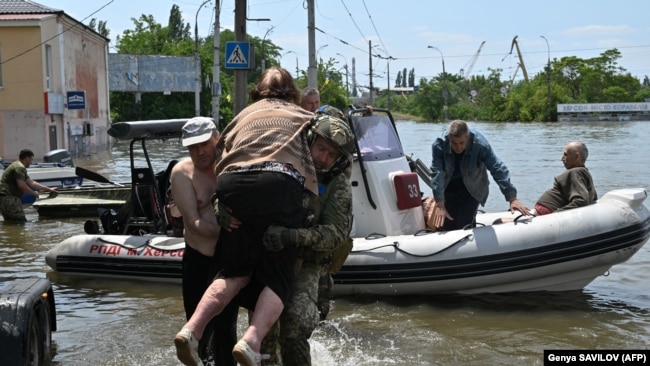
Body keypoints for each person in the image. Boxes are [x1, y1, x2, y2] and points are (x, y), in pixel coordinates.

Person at [174, 66, 317, 366]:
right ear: (293, 93)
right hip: (278, 183)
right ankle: (252, 341)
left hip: (233, 185)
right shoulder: (301, 115)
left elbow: (226, 150)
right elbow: (324, 142)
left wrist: (226, 207)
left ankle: (191, 330)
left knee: (233, 272)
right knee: (279, 276)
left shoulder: (243, 116)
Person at [260, 109, 355, 365]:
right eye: (321, 149)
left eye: (332, 155)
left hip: (307, 261)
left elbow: (335, 234)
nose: (323, 158)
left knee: (294, 328)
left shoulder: (337, 185)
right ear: (310, 141)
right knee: (264, 332)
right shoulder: (283, 163)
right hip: (272, 257)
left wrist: (293, 236)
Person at [170, 117, 238, 365]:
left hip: (228, 261)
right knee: (199, 331)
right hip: (199, 261)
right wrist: (225, 227)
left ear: (216, 139)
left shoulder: (230, 165)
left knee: (227, 330)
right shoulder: (182, 173)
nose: (199, 152)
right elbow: (194, 223)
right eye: (192, 147)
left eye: (204, 144)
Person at [430, 120, 530, 231]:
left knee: (464, 223)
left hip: (473, 187)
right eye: (454, 143)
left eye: (462, 143)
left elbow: (497, 167)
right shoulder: (439, 144)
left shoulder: (480, 144)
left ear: (467, 137)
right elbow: (436, 172)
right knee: (448, 224)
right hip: (449, 186)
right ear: (449, 138)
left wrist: (512, 198)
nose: (458, 147)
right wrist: (439, 202)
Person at [534, 141, 597, 215]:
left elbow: (582, 200)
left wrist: (557, 213)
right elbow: (593, 197)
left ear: (577, 156)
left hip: (547, 212)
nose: (562, 158)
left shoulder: (575, 172)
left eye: (566, 154)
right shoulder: (584, 173)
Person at [0, 149, 57, 222]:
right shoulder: (20, 167)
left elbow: (31, 183)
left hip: (3, 199)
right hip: (10, 199)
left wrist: (49, 189)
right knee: (21, 223)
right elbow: (22, 186)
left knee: (10, 224)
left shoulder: (15, 165)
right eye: (31, 159)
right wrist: (34, 193)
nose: (31, 162)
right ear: (27, 158)